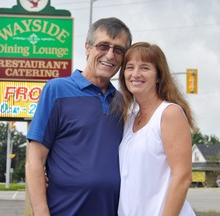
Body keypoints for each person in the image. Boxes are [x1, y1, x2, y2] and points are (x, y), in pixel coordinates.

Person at [25, 17, 132, 216]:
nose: (110, 55)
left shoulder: (122, 102)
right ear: (88, 48)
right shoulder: (57, 90)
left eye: (118, 50)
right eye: (103, 46)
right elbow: (34, 161)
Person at [117, 42, 196, 216]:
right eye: (130, 67)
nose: (135, 74)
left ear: (159, 76)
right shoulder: (129, 120)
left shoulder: (169, 114)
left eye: (144, 68)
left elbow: (183, 177)